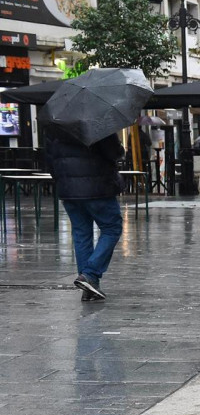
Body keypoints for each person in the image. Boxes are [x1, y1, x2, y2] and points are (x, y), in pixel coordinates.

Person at [44, 128, 125, 302]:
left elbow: (49, 160)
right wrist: (120, 150)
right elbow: (113, 152)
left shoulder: (54, 125)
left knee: (81, 233)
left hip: (68, 189)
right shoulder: (98, 122)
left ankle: (90, 284)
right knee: (112, 228)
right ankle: (90, 274)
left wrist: (63, 181)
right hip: (98, 187)